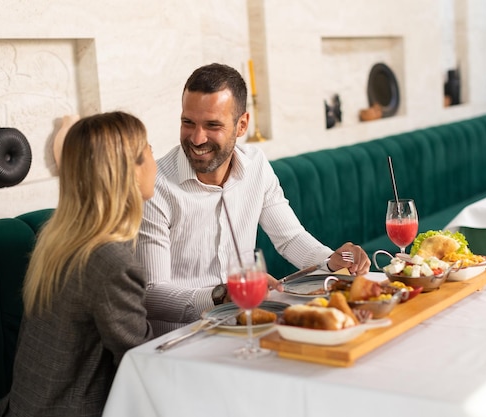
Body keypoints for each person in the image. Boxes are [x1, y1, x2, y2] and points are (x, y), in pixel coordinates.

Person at [138, 63, 370, 336]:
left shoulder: (256, 165)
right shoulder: (156, 187)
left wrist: (334, 259)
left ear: (242, 125)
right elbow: (151, 294)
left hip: (246, 326)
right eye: (188, 122)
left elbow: (291, 238)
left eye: (212, 125)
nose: (197, 138)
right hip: (184, 338)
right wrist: (222, 294)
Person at [0, 111, 156, 417]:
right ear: (129, 171)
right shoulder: (110, 260)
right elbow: (139, 362)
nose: (154, 161)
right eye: (149, 150)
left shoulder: (60, 237)